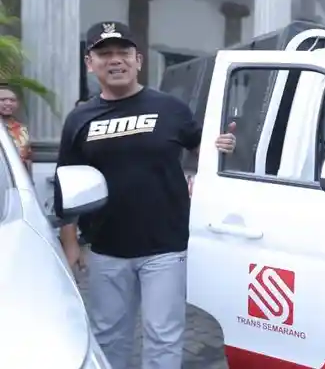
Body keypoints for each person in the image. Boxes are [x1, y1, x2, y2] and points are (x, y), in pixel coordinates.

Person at [55, 21, 236, 369]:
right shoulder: (79, 119)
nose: (115, 60)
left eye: (123, 52)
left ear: (138, 60)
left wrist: (221, 147)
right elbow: (67, 182)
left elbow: (203, 150)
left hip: (166, 247)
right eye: (104, 54)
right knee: (108, 336)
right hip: (105, 248)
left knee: (163, 337)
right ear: (90, 63)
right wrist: (70, 241)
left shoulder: (170, 108)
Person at [0, 86, 32, 173]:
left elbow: (27, 159)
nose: (8, 103)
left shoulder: (22, 129)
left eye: (12, 100)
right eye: (2, 100)